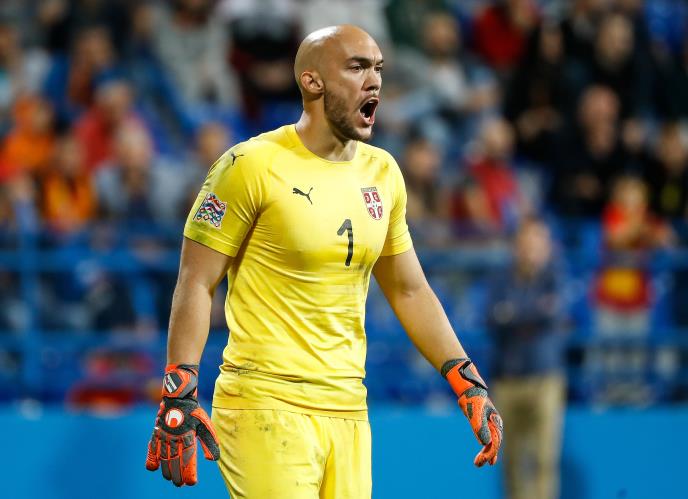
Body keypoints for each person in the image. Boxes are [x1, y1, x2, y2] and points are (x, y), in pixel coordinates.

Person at [144, 25, 503, 498]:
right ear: (312, 81)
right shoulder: (248, 166)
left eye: (378, 68)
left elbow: (409, 289)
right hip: (264, 403)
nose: (373, 80)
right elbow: (195, 280)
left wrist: (467, 382)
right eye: (356, 67)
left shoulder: (383, 173)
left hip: (349, 408)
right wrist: (179, 389)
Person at [486, 216, 566, 499]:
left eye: (537, 241)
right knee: (510, 461)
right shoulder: (500, 278)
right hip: (507, 380)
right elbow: (492, 318)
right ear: (516, 244)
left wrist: (513, 313)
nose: (531, 247)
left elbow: (552, 313)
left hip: (545, 379)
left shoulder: (556, 277)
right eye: (527, 240)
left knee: (544, 459)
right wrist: (533, 312)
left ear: (547, 246)